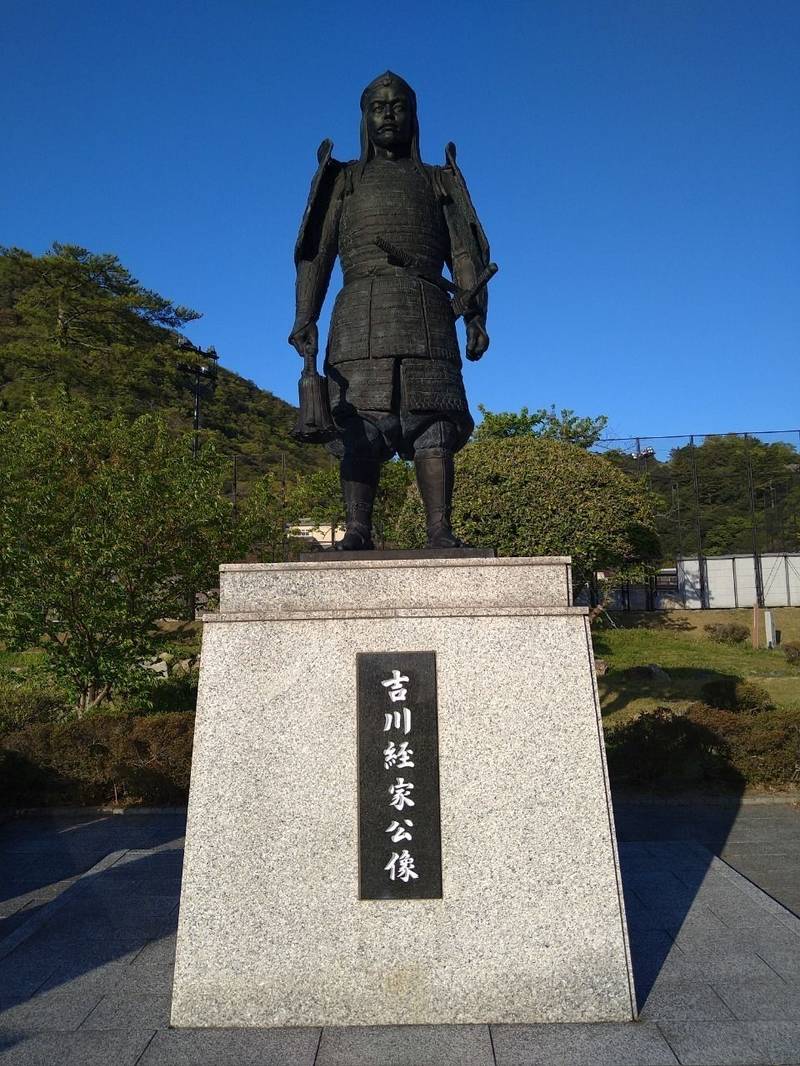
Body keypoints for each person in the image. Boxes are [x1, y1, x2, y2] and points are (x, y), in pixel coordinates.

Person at [289, 71, 492, 549]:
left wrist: (476, 314)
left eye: (398, 105)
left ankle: (439, 528)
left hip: (428, 313)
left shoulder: (438, 180)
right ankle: (358, 528)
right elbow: (317, 253)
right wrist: (305, 314)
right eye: (378, 106)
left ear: (413, 115)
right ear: (364, 116)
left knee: (435, 426)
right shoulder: (342, 180)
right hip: (359, 313)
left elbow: (465, 254)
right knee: (357, 425)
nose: (388, 114)